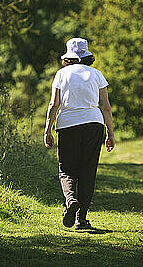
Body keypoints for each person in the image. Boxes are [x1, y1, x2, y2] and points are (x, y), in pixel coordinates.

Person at [43, 37, 115, 230]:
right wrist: (110, 133)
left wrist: (47, 129)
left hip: (67, 125)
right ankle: (82, 218)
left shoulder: (61, 74)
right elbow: (106, 107)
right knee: (87, 171)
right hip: (94, 124)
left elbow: (54, 104)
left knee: (66, 170)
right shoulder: (97, 74)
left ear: (68, 56)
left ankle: (71, 201)